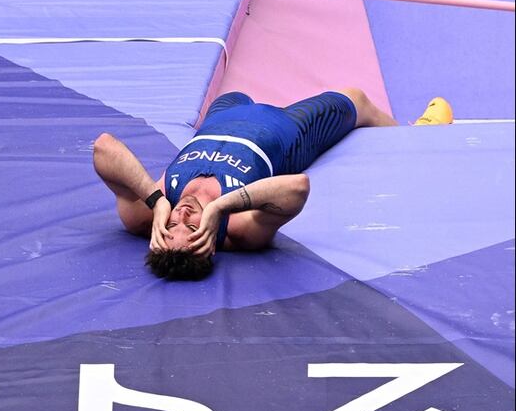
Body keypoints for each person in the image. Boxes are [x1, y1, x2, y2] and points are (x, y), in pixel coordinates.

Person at [93, 88, 453, 280]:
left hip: (223, 117)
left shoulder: (148, 215)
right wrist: (221, 206)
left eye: (171, 224)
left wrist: (157, 201)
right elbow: (297, 187)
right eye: (190, 225)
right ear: (210, 244)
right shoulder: (240, 230)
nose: (181, 213)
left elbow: (104, 146)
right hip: (287, 129)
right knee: (357, 100)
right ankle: (418, 138)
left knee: (232, 91)